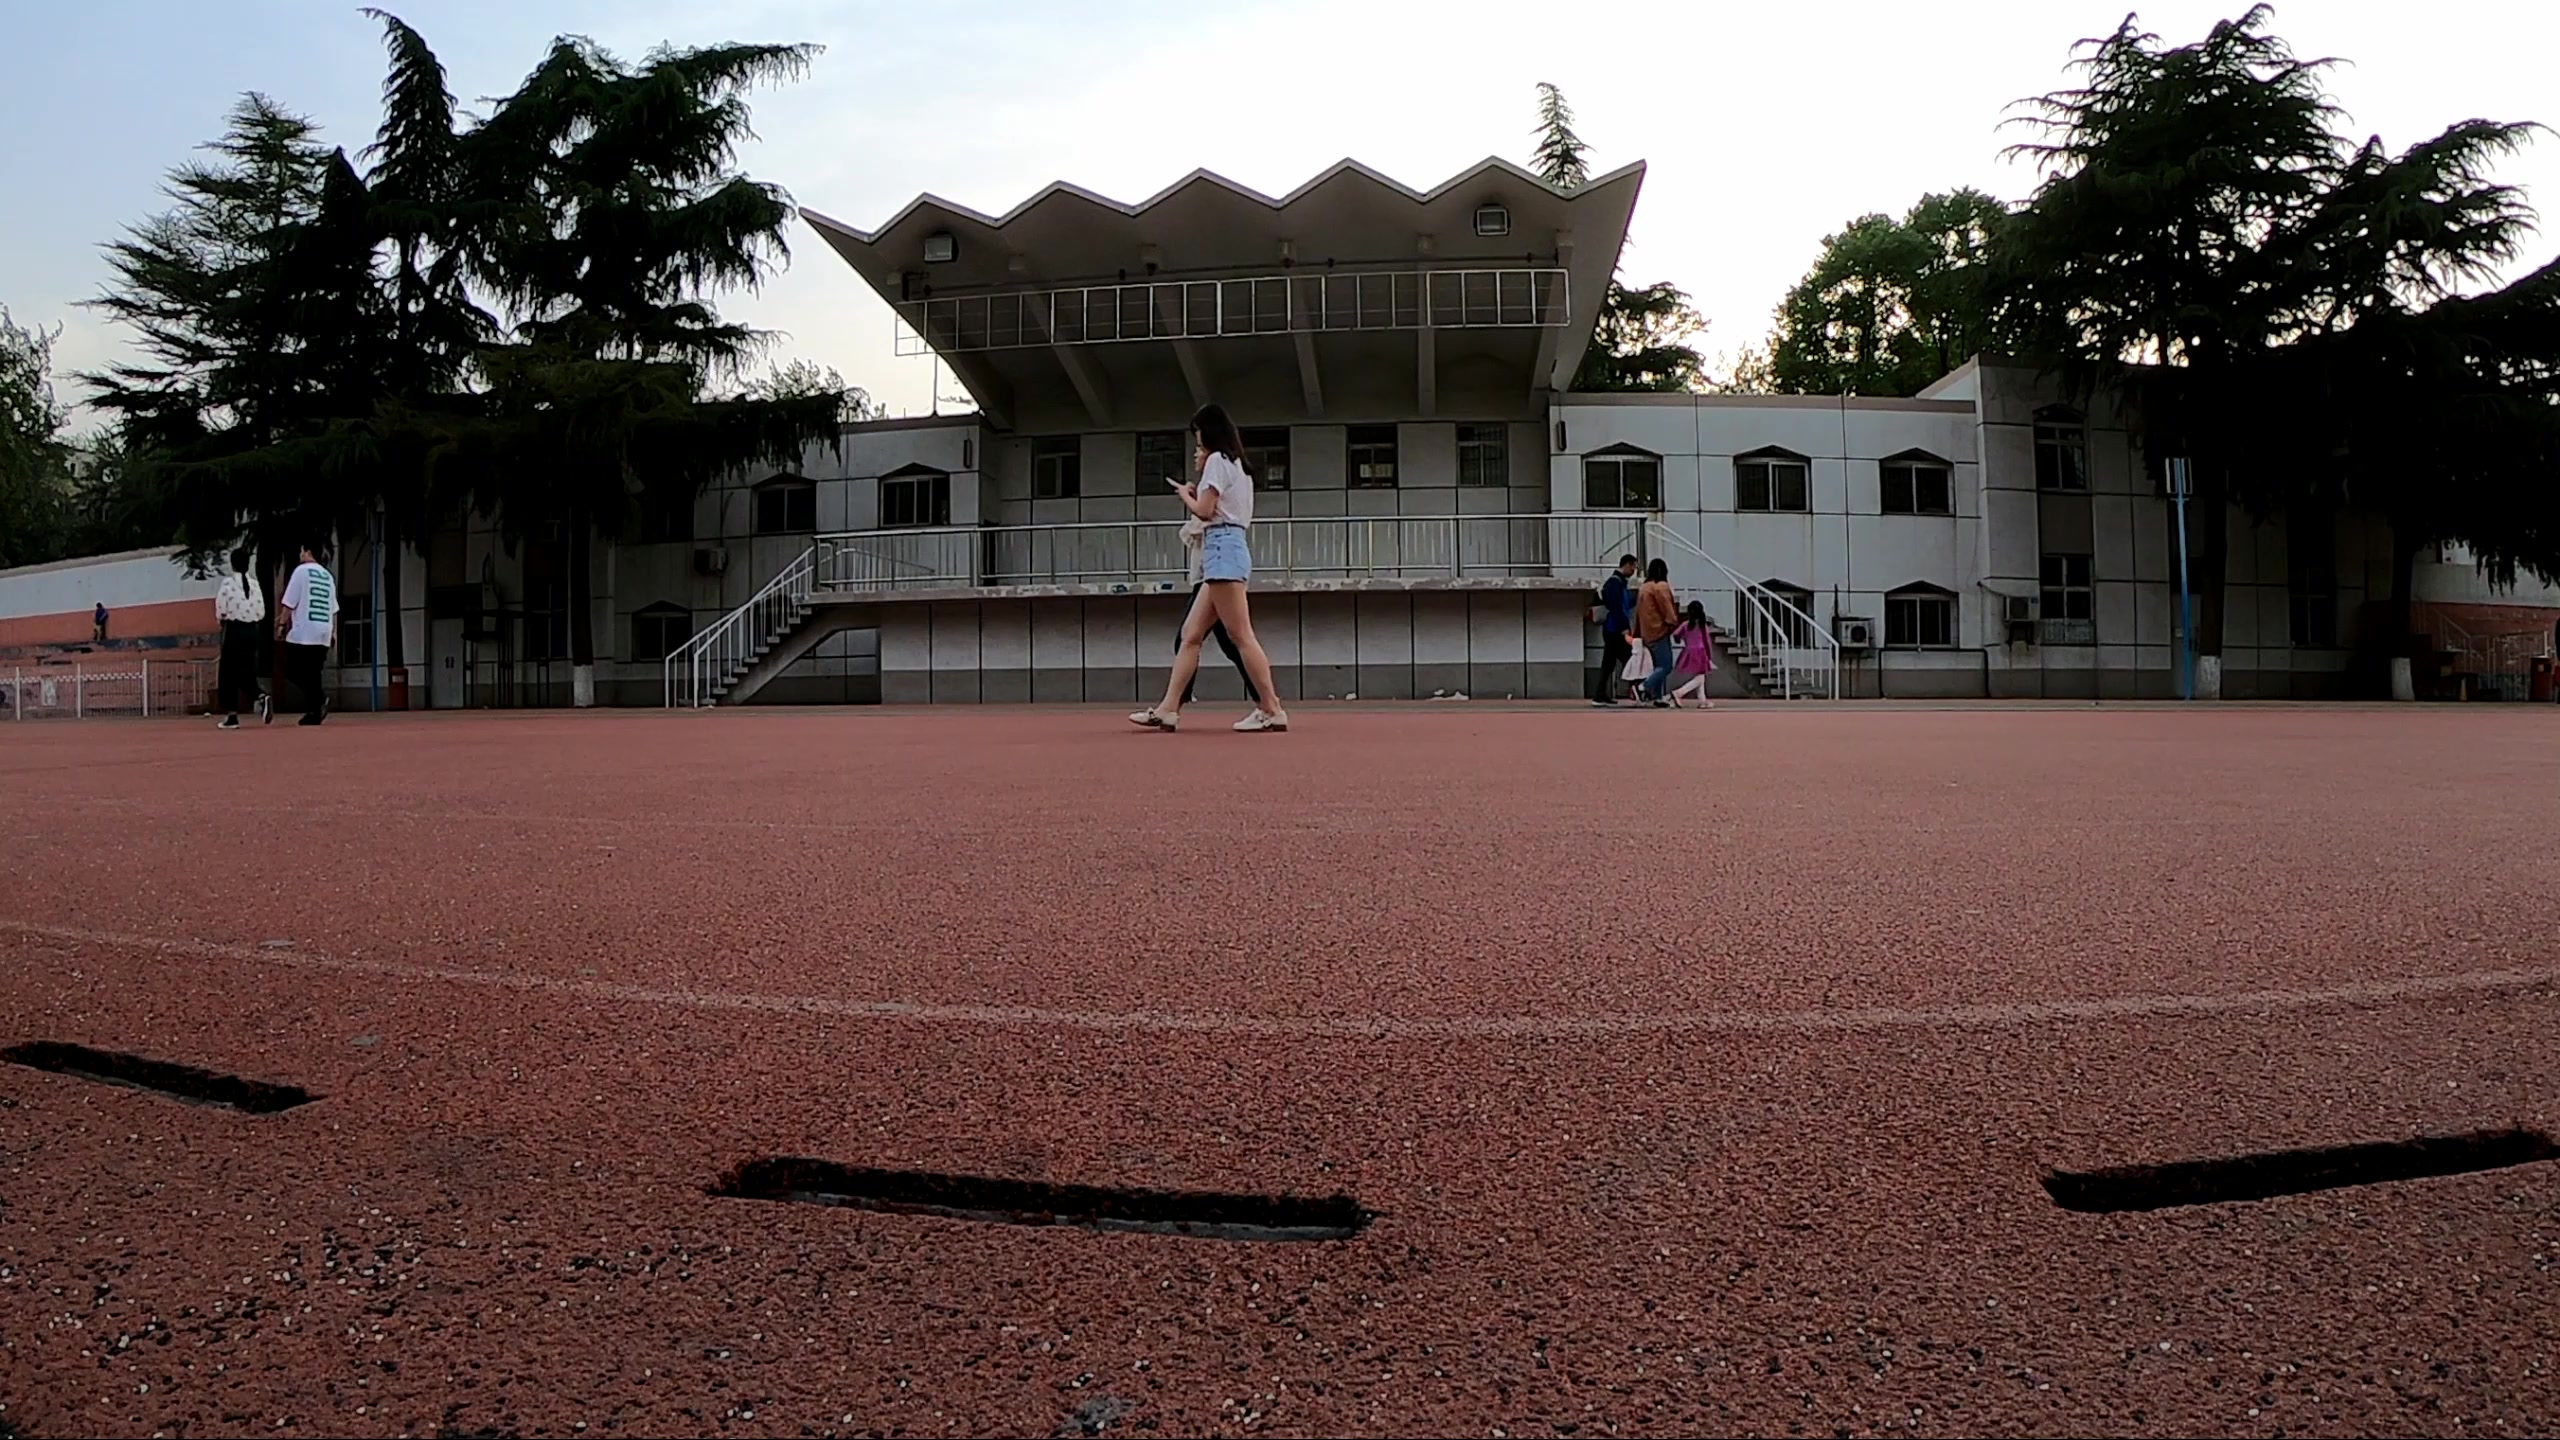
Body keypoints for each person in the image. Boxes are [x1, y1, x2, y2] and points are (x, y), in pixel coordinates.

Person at [1129, 403, 1288, 733]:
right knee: (1191, 635)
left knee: (1240, 636)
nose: (1197, 444)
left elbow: (1204, 510)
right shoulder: (1239, 468)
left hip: (1222, 550)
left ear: (1209, 432)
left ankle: (1272, 708)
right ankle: (1168, 709)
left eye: (1198, 436)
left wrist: (1185, 494)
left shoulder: (1217, 461)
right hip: (1229, 547)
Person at [1175, 507, 1260, 714]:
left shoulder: (1220, 515)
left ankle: (1267, 700)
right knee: (1224, 642)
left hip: (1214, 577)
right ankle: (1266, 700)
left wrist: (1187, 497)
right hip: (1208, 578)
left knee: (1229, 641)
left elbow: (1193, 529)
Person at [276, 540, 338, 726]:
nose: (300, 553)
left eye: (302, 550)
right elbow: (333, 608)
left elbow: (289, 603)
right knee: (314, 673)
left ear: (308, 552)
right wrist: (333, 632)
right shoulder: (328, 576)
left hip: (304, 631)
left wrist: (281, 624)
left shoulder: (301, 572)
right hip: (323, 631)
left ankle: (317, 701)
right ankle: (314, 712)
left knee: (292, 670)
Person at [213, 547, 267, 729]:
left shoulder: (227, 584)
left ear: (232, 564)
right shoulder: (254, 584)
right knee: (246, 668)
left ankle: (232, 714)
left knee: (228, 672)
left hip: (234, 629)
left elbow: (221, 609)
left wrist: (222, 621)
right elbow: (261, 611)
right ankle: (260, 695)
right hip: (252, 630)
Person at [1590, 554, 1639, 707]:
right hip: (1615, 629)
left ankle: (1600, 695)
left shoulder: (1618, 583)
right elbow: (1617, 608)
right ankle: (1639, 690)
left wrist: (1638, 597)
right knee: (1629, 659)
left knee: (1609, 663)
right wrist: (1624, 628)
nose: (1634, 571)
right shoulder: (1615, 583)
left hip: (1612, 628)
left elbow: (1623, 605)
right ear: (1627, 564)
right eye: (1633, 567)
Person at [1634, 558, 1679, 706]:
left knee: (1657, 666)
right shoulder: (1661, 587)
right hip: (1659, 631)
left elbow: (1638, 612)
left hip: (1646, 633)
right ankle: (1643, 687)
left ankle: (1658, 697)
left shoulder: (1644, 587)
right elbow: (1668, 610)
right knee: (1666, 666)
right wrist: (1672, 623)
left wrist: (1638, 632)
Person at [1668, 600, 1717, 709]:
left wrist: (1680, 639)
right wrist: (1709, 655)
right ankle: (1679, 693)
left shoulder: (1686, 625)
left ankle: (1702, 701)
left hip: (1689, 650)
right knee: (1700, 677)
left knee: (1700, 677)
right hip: (1701, 652)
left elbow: (1676, 634)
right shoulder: (1702, 625)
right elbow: (1707, 641)